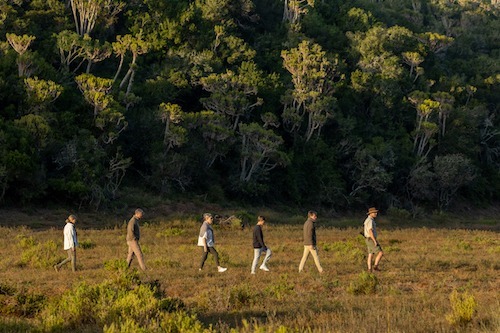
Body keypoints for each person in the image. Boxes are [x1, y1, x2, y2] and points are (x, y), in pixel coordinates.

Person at [364, 207, 384, 272]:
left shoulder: (368, 220)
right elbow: (370, 231)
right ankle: (376, 266)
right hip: (370, 239)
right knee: (380, 253)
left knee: (371, 254)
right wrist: (374, 241)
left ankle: (369, 269)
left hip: (368, 239)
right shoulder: (370, 221)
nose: (376, 213)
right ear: (371, 213)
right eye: (374, 212)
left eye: (376, 212)